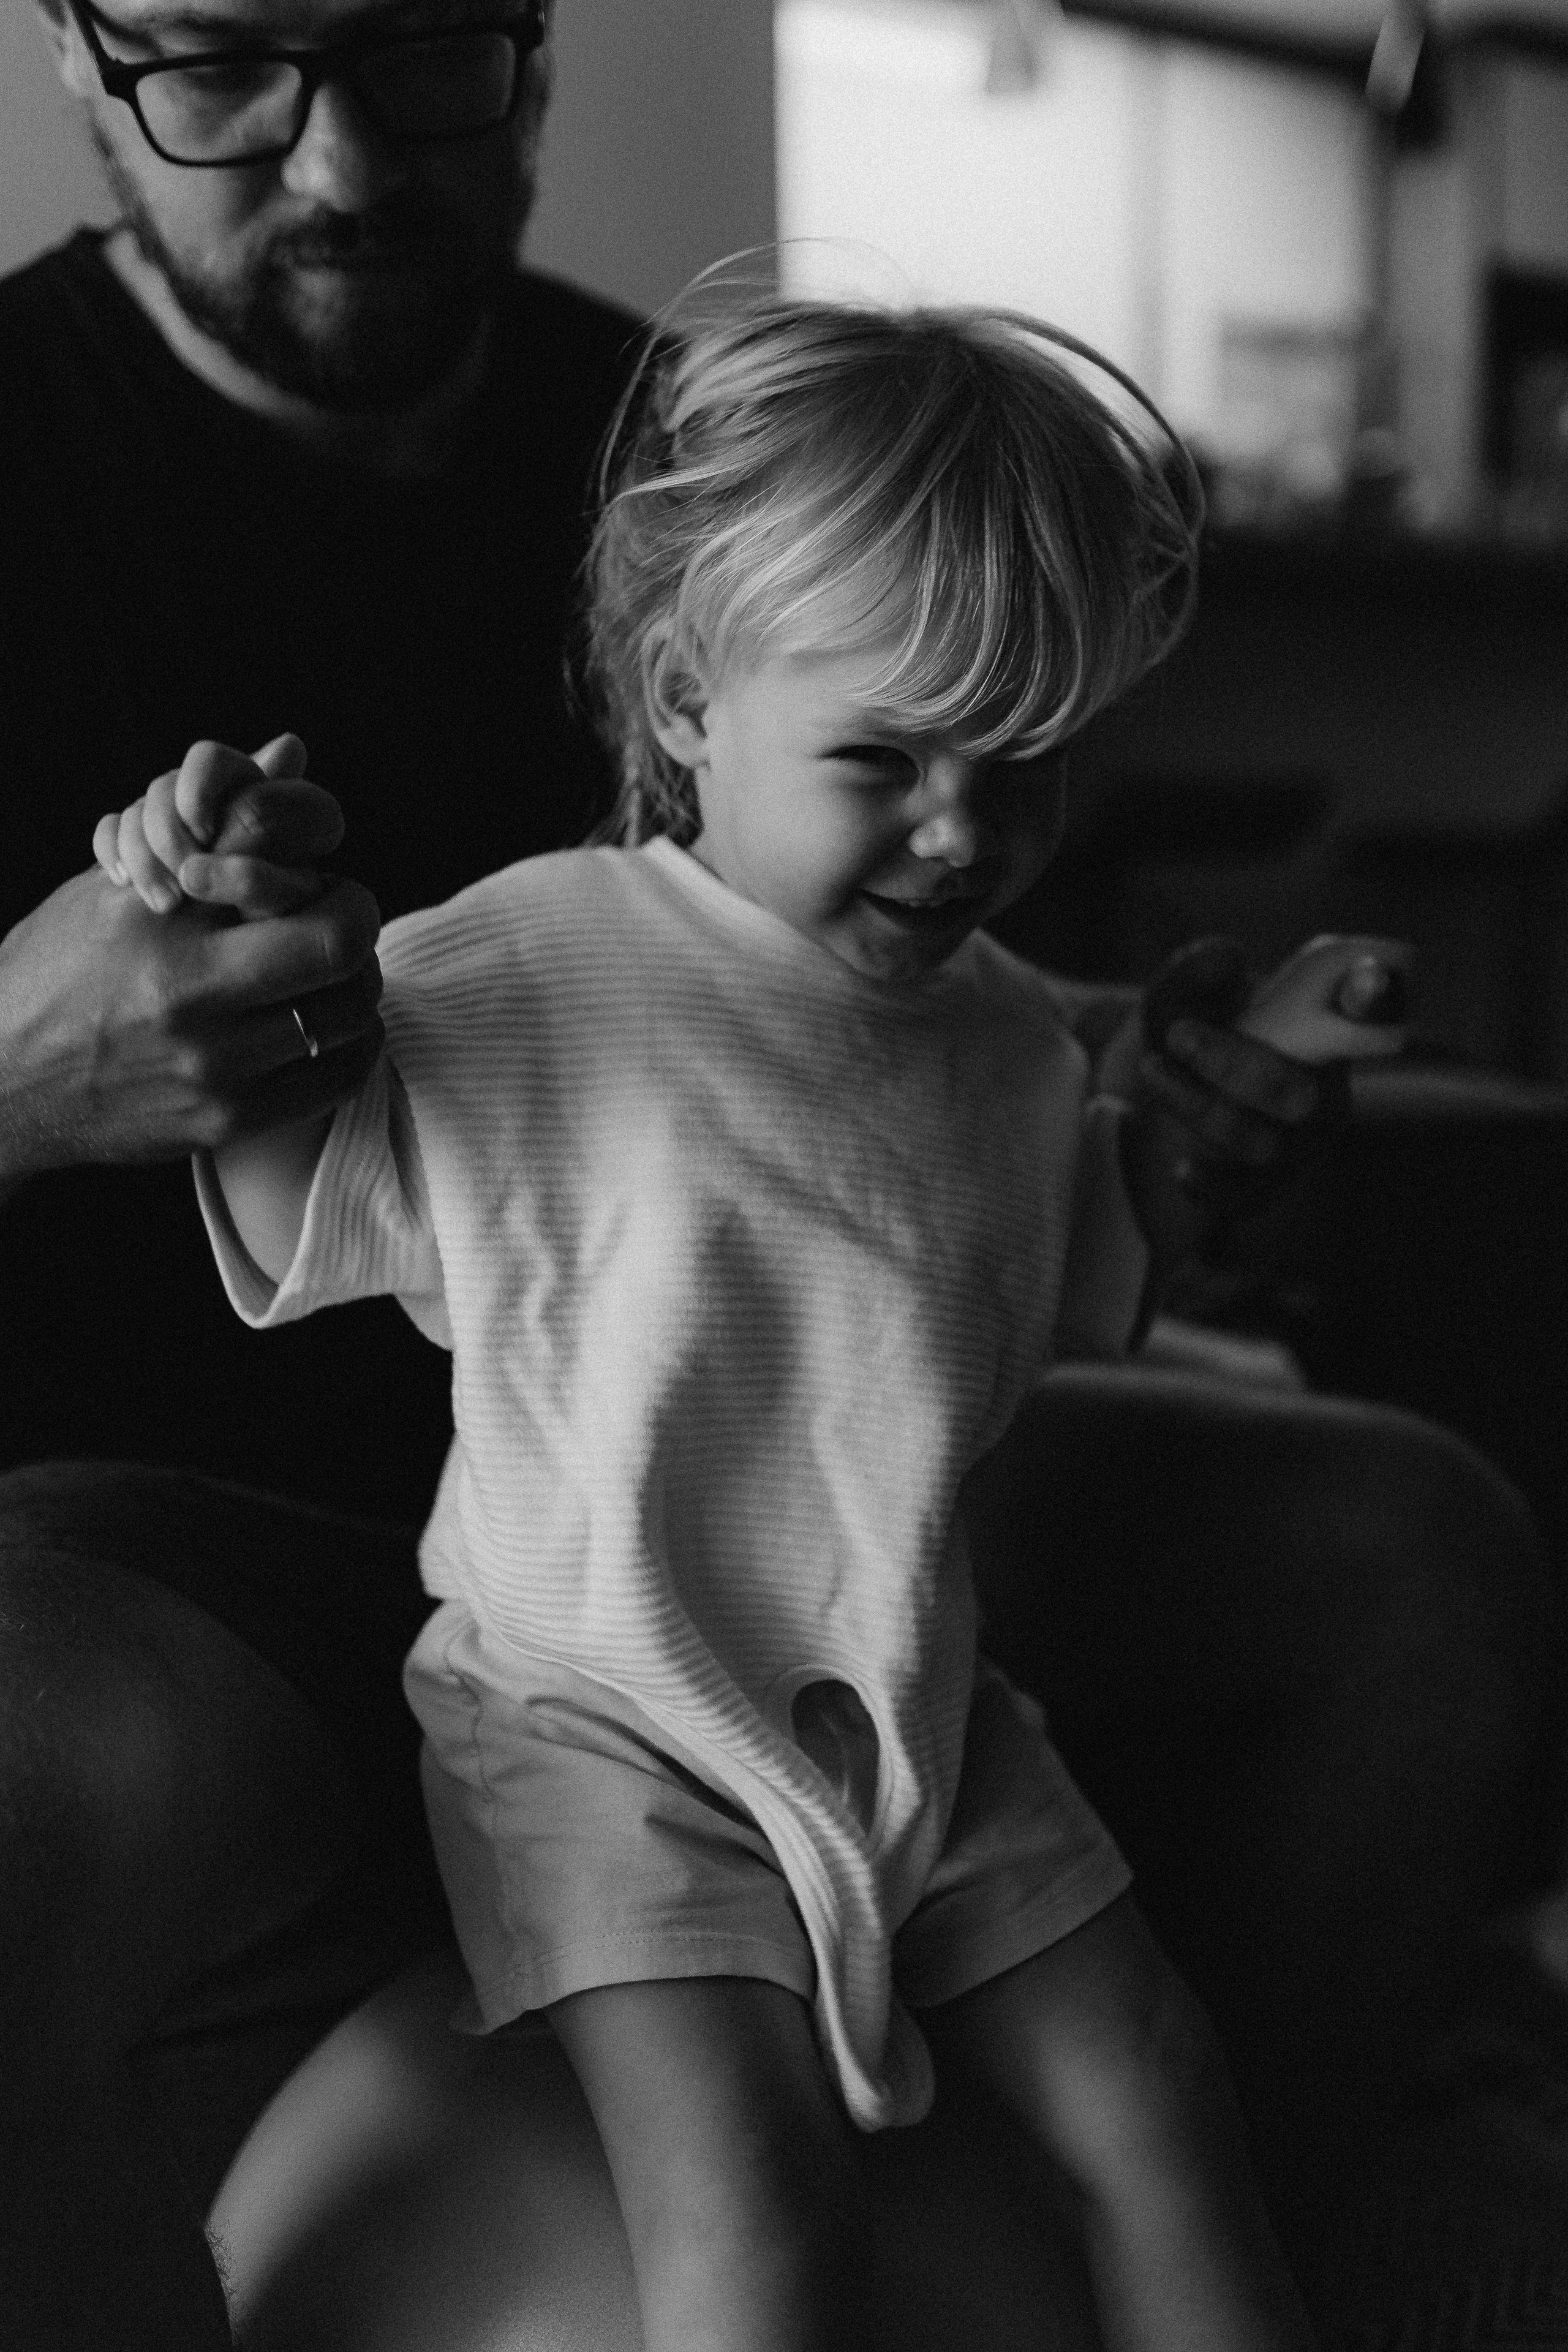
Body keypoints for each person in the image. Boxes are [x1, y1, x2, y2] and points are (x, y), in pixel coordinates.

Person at [0, 0, 1550, 2343]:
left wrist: (1172, 1104)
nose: (332, 164)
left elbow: (875, 1031)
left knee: (1408, 1541)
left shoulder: (717, 457)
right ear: (65, 50)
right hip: (202, 1516)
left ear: (532, 38)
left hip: (764, 1449)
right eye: (217, 60)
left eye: (418, 50)